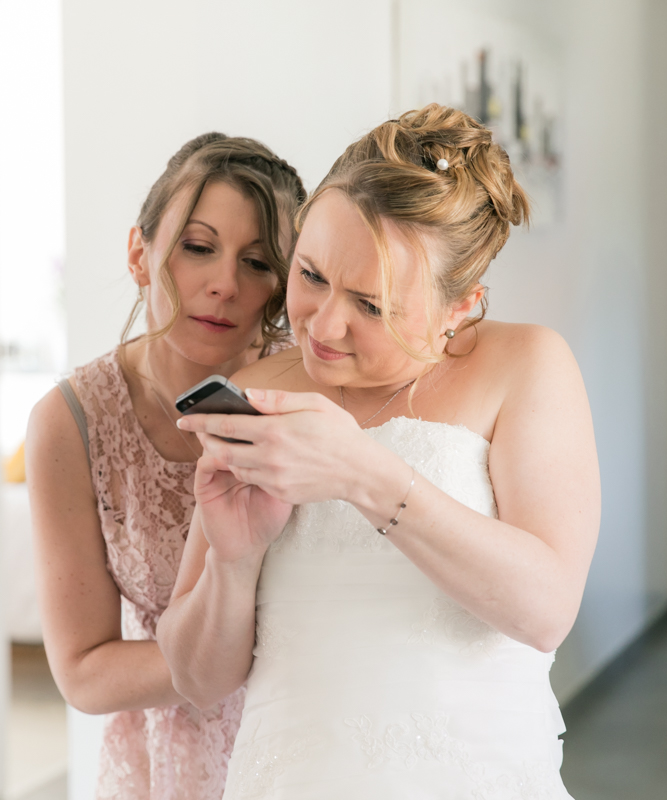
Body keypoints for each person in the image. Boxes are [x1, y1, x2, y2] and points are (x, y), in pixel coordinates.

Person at [158, 105, 601, 798]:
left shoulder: (526, 366)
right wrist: (233, 561)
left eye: (372, 305)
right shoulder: (256, 389)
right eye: (311, 276)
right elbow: (197, 680)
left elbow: (546, 613)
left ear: (461, 307)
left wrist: (364, 474)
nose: (324, 325)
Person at [25, 133, 306, 799]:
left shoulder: (309, 396)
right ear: (139, 253)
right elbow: (84, 672)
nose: (225, 284)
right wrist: (214, 659)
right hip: (174, 767)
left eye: (258, 262)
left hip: (306, 742)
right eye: (198, 247)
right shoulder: (71, 420)